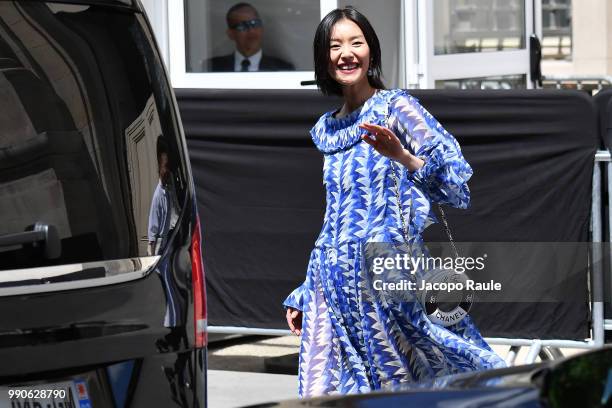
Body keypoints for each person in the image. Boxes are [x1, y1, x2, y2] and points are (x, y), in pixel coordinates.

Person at [283, 6, 505, 398]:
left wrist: (402, 155)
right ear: (323, 57)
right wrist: (305, 290)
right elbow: (335, 216)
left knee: (399, 384)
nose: (346, 53)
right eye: (335, 46)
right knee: (323, 390)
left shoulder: (396, 107)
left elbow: (455, 182)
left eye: (356, 42)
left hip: (387, 279)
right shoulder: (330, 127)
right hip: (332, 285)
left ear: (371, 51)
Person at [205, 2, 295, 72]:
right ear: (231, 34)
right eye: (243, 26)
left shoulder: (282, 69)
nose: (251, 31)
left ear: (262, 28)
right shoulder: (213, 67)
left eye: (255, 24)